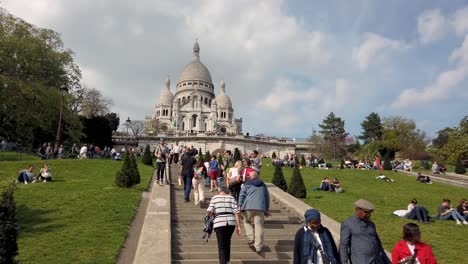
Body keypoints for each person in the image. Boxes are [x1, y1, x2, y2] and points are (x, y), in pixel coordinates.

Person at [339, 199, 391, 264]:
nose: (369, 215)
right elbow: (344, 246)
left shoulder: (371, 224)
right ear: (357, 210)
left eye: (370, 213)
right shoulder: (348, 224)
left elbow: (378, 244)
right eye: (366, 212)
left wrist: (387, 261)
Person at [207, 187, 241, 264]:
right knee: (227, 241)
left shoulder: (215, 198)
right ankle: (227, 260)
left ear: (219, 191)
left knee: (221, 244)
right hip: (231, 223)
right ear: (227, 191)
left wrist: (212, 216)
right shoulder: (231, 198)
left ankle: (223, 262)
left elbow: (209, 211)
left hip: (219, 222)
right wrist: (239, 226)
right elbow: (236, 212)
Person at [238, 170, 270, 254]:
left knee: (246, 221)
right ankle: (258, 246)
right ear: (257, 176)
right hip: (260, 208)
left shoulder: (247, 184)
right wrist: (267, 209)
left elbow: (242, 195)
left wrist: (239, 205)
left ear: (250, 177)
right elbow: (267, 197)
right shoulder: (263, 185)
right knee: (259, 226)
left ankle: (250, 237)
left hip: (248, 206)